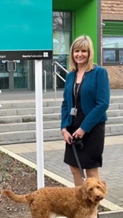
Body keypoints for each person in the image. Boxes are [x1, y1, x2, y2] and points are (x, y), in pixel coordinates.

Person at [61, 35, 110, 218]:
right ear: (72, 53)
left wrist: (83, 129)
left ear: (89, 53)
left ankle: (92, 213)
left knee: (90, 170)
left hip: (92, 127)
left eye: (83, 51)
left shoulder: (99, 73)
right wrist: (64, 128)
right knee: (74, 167)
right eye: (76, 50)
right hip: (72, 127)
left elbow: (102, 104)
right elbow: (66, 104)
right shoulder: (70, 75)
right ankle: (81, 209)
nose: (79, 54)